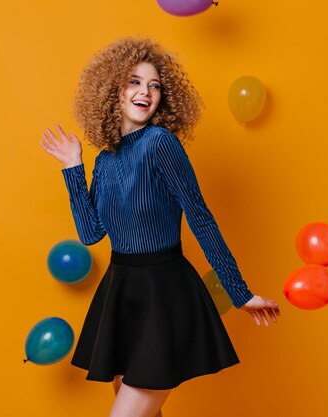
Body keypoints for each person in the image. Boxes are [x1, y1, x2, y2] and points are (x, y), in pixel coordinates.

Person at [40, 37, 280, 417]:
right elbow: (91, 234)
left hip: (165, 292)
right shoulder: (104, 162)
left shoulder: (160, 143)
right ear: (112, 90)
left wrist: (240, 293)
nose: (145, 92)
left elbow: (199, 216)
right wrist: (72, 167)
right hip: (121, 292)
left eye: (154, 86)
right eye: (134, 82)